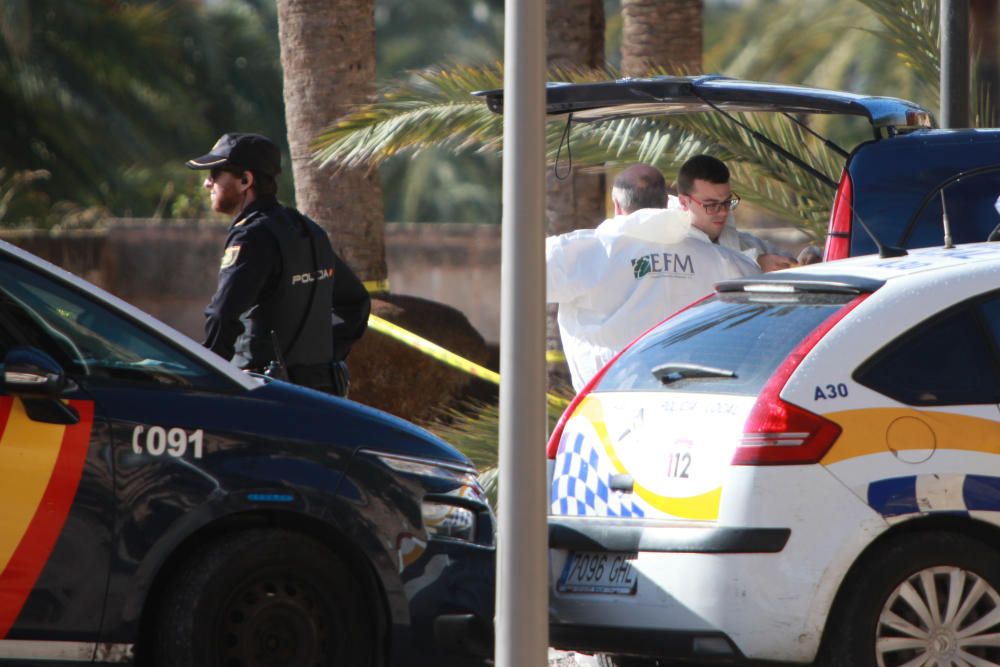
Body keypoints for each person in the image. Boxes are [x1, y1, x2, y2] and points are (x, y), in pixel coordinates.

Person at [547, 165, 761, 392]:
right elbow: (757, 290)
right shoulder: (723, 262)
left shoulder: (580, 252)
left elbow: (521, 278)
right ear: (665, 201)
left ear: (617, 205)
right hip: (692, 405)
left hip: (608, 410)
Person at [186, 132, 370, 396]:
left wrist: (207, 378)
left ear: (245, 181)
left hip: (266, 394)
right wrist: (324, 358)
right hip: (321, 393)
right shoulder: (308, 230)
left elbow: (223, 315)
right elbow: (357, 304)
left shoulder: (251, 236)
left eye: (215, 174)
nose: (207, 183)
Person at [672, 155, 798, 272]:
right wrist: (754, 265)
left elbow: (794, 264)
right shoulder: (668, 251)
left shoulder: (747, 244)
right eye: (711, 204)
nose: (723, 212)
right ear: (684, 202)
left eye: (727, 202)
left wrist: (808, 257)